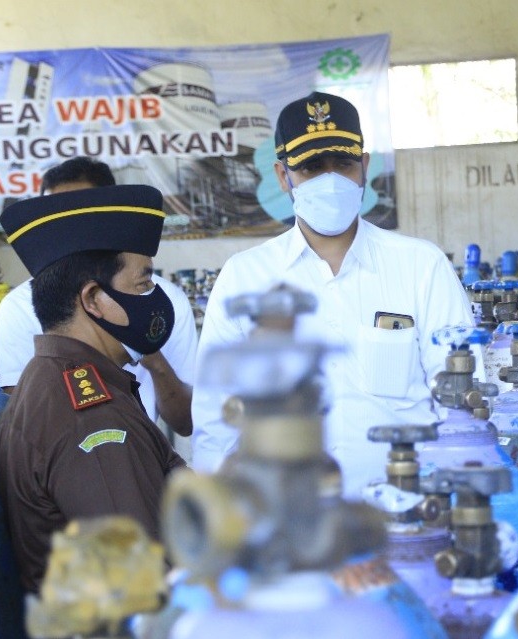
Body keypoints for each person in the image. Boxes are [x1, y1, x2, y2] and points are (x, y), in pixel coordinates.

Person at [191, 91, 475, 496]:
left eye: (342, 163)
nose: (329, 180)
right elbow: (216, 420)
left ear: (364, 166)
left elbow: (460, 395)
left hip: (409, 511)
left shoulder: (420, 266)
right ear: (282, 176)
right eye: (310, 167)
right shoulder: (245, 278)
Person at [0, 184, 185, 639]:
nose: (154, 297)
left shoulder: (56, 379)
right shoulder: (93, 421)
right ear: (96, 299)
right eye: (143, 281)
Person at [0, 156, 195, 437]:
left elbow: (186, 422)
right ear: (91, 299)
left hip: (143, 453)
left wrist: (151, 351)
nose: (65, 225)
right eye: (53, 213)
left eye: (77, 211)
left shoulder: (163, 300)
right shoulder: (18, 306)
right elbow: (21, 421)